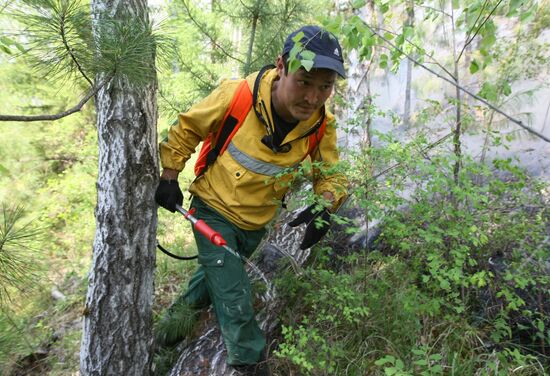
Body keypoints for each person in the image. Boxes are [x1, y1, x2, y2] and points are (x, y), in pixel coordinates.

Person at [154, 25, 348, 374]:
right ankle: (250, 360)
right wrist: (170, 174)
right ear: (281, 67)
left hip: (256, 224)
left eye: (325, 87)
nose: (313, 97)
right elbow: (188, 127)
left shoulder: (321, 124)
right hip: (211, 209)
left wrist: (325, 205)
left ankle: (163, 340)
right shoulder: (238, 95)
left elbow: (330, 173)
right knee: (233, 295)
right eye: (304, 82)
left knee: (207, 285)